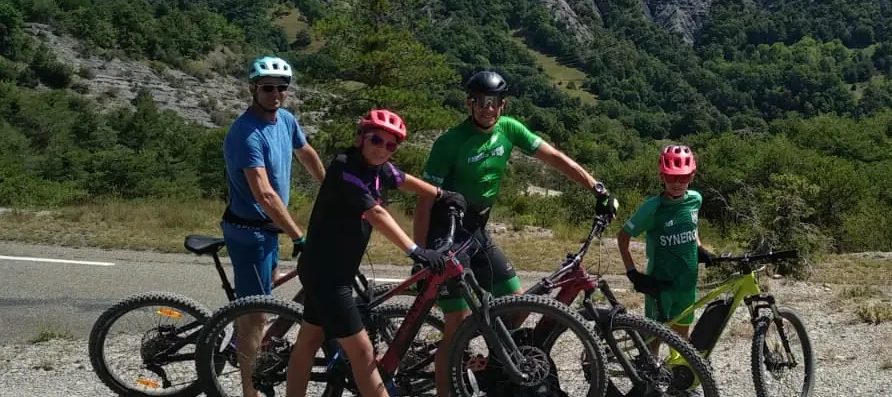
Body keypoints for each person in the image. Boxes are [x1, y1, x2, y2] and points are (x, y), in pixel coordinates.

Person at [412, 70, 618, 397]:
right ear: (469, 103)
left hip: (477, 230)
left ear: (502, 105)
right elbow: (424, 201)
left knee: (516, 303)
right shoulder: (449, 143)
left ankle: (493, 367)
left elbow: (554, 157)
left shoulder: (509, 129)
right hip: (447, 234)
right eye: (479, 101)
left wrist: (596, 187)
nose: (486, 108)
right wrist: (420, 253)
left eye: (492, 102)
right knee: (455, 327)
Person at [285, 109, 467, 397]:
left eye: (391, 145)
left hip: (328, 270)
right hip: (329, 277)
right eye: (376, 140)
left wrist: (440, 194)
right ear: (360, 138)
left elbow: (403, 178)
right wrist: (414, 250)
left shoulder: (377, 167)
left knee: (308, 341)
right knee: (363, 355)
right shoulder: (345, 167)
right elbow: (376, 212)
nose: (383, 149)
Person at [222, 55, 326, 397]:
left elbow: (306, 151)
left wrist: (332, 189)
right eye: (267, 88)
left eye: (282, 88)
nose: (275, 94)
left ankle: (245, 337)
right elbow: (265, 194)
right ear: (253, 89)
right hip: (249, 232)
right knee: (257, 315)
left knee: (263, 294)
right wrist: (298, 236)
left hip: (268, 230)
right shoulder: (246, 134)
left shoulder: (285, 120)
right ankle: (249, 390)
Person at [618, 144, 714, 341]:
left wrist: (699, 246)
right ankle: (649, 369)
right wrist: (632, 272)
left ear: (692, 176)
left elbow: (691, 224)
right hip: (660, 286)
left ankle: (676, 370)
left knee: (681, 337)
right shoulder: (652, 207)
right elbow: (623, 236)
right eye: (671, 177)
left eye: (684, 177)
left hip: (687, 283)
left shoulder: (695, 199)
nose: (677, 183)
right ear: (661, 177)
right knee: (653, 337)